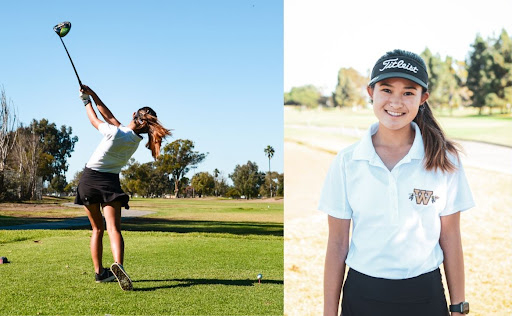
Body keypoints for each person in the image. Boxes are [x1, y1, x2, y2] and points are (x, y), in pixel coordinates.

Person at [319, 49, 474, 316]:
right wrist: (329, 313)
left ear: (423, 98)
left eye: (408, 92)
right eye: (387, 90)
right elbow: (337, 244)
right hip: (362, 295)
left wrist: (458, 306)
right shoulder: (347, 162)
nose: (396, 102)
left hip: (425, 296)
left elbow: (450, 236)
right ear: (371, 92)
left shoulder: (445, 160)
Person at [74, 85, 171, 291]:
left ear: (134, 115)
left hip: (89, 181)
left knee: (97, 229)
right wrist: (92, 94)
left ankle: (100, 272)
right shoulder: (132, 140)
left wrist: (85, 101)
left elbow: (95, 120)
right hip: (110, 183)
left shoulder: (115, 132)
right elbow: (109, 116)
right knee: (113, 229)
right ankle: (118, 265)